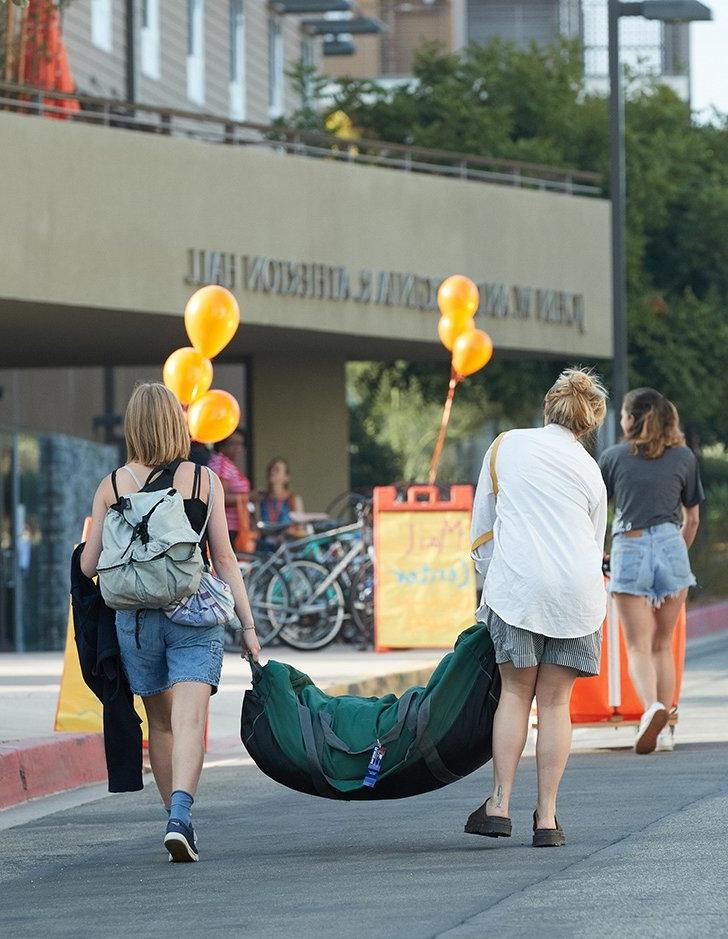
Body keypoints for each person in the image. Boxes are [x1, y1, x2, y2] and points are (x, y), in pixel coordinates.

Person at [80, 383, 261, 863]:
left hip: (135, 622)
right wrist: (248, 628)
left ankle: (173, 820)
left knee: (160, 724)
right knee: (191, 719)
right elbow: (224, 559)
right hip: (193, 614)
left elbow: (89, 567)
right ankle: (181, 815)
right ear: (177, 426)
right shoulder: (204, 482)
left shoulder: (112, 486)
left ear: (133, 427)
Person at [467, 368, 608, 848]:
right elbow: (592, 542)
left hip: (519, 589)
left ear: (547, 408)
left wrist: (491, 586)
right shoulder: (591, 470)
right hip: (577, 596)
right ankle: (546, 819)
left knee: (514, 696)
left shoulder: (506, 446)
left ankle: (499, 805)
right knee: (555, 703)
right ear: (587, 424)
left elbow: (483, 530)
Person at [599, 388, 703, 755]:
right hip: (671, 545)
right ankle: (667, 728)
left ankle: (651, 711)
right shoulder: (684, 457)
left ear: (631, 418)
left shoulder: (612, 458)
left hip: (630, 544)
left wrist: (601, 552)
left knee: (637, 645)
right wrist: (677, 553)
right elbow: (691, 519)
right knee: (663, 644)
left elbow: (595, 511)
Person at [207, 428, 251, 548]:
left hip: (235, 526)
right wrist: (249, 497)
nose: (238, 448)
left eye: (240, 444)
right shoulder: (221, 464)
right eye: (233, 443)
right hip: (226, 527)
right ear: (222, 445)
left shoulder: (228, 464)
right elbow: (220, 497)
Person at [256, 457, 305, 554]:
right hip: (264, 548)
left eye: (277, 470)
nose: (272, 472)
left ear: (286, 477)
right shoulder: (260, 499)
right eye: (270, 469)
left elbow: (300, 528)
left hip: (287, 548)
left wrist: (290, 532)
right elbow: (257, 526)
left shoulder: (293, 499)